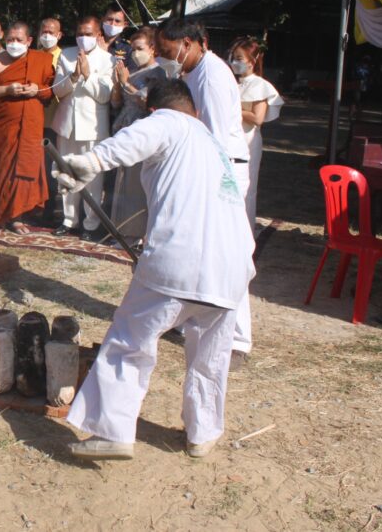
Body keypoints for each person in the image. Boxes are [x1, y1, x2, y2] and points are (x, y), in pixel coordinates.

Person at [57, 79, 256, 461]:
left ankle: (112, 432)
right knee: (210, 356)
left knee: (129, 341)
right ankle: (202, 433)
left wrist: (92, 162)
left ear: (153, 109)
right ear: (196, 110)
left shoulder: (167, 121)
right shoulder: (213, 143)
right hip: (232, 268)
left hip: (181, 260)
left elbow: (137, 138)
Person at [156, 19, 254, 364]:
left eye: (168, 51)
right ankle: (189, 319)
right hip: (207, 168)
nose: (166, 57)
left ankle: (237, 339)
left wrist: (200, 179)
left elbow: (213, 136)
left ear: (189, 43)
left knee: (226, 252)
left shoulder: (211, 76)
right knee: (198, 250)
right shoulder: (192, 72)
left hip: (222, 169)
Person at [0, 21, 55, 234]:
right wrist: (7, 90)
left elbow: (51, 90)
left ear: (29, 41)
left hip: (30, 124)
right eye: (10, 39)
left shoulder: (41, 60)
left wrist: (36, 88)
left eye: (19, 40)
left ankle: (17, 217)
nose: (14, 43)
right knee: (0, 170)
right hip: (3, 125)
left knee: (24, 168)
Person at [50, 16, 113, 240]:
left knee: (92, 177)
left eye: (88, 34)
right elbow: (57, 90)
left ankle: (91, 223)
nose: (83, 38)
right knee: (66, 173)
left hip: (93, 126)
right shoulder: (66, 55)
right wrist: (74, 76)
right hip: (67, 124)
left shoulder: (108, 59)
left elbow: (105, 96)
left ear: (98, 35)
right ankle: (69, 219)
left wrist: (87, 75)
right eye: (79, 34)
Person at [108, 27, 169, 242]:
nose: (135, 54)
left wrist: (126, 83)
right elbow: (116, 103)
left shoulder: (158, 74)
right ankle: (120, 230)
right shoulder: (132, 71)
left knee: (136, 185)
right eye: (133, 49)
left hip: (143, 131)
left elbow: (148, 101)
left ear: (152, 48)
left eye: (140, 48)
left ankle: (136, 233)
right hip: (124, 128)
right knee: (122, 184)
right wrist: (118, 84)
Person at [228, 36, 283, 231]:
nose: (234, 62)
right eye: (233, 58)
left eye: (239, 58)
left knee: (247, 187)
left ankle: (245, 230)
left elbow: (257, 118)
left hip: (248, 140)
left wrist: (234, 109)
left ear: (252, 61)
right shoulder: (233, 83)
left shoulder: (260, 85)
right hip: (230, 139)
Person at [39, 17, 64, 227]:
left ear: (59, 35)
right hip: (35, 119)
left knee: (51, 168)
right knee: (35, 166)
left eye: (51, 32)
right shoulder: (32, 55)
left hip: (55, 120)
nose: (47, 36)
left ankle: (50, 211)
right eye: (44, 32)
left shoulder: (64, 57)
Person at [100, 3, 133, 68]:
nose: (112, 24)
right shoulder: (92, 43)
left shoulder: (129, 48)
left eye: (117, 21)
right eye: (109, 19)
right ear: (102, 19)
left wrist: (104, 54)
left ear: (125, 24)